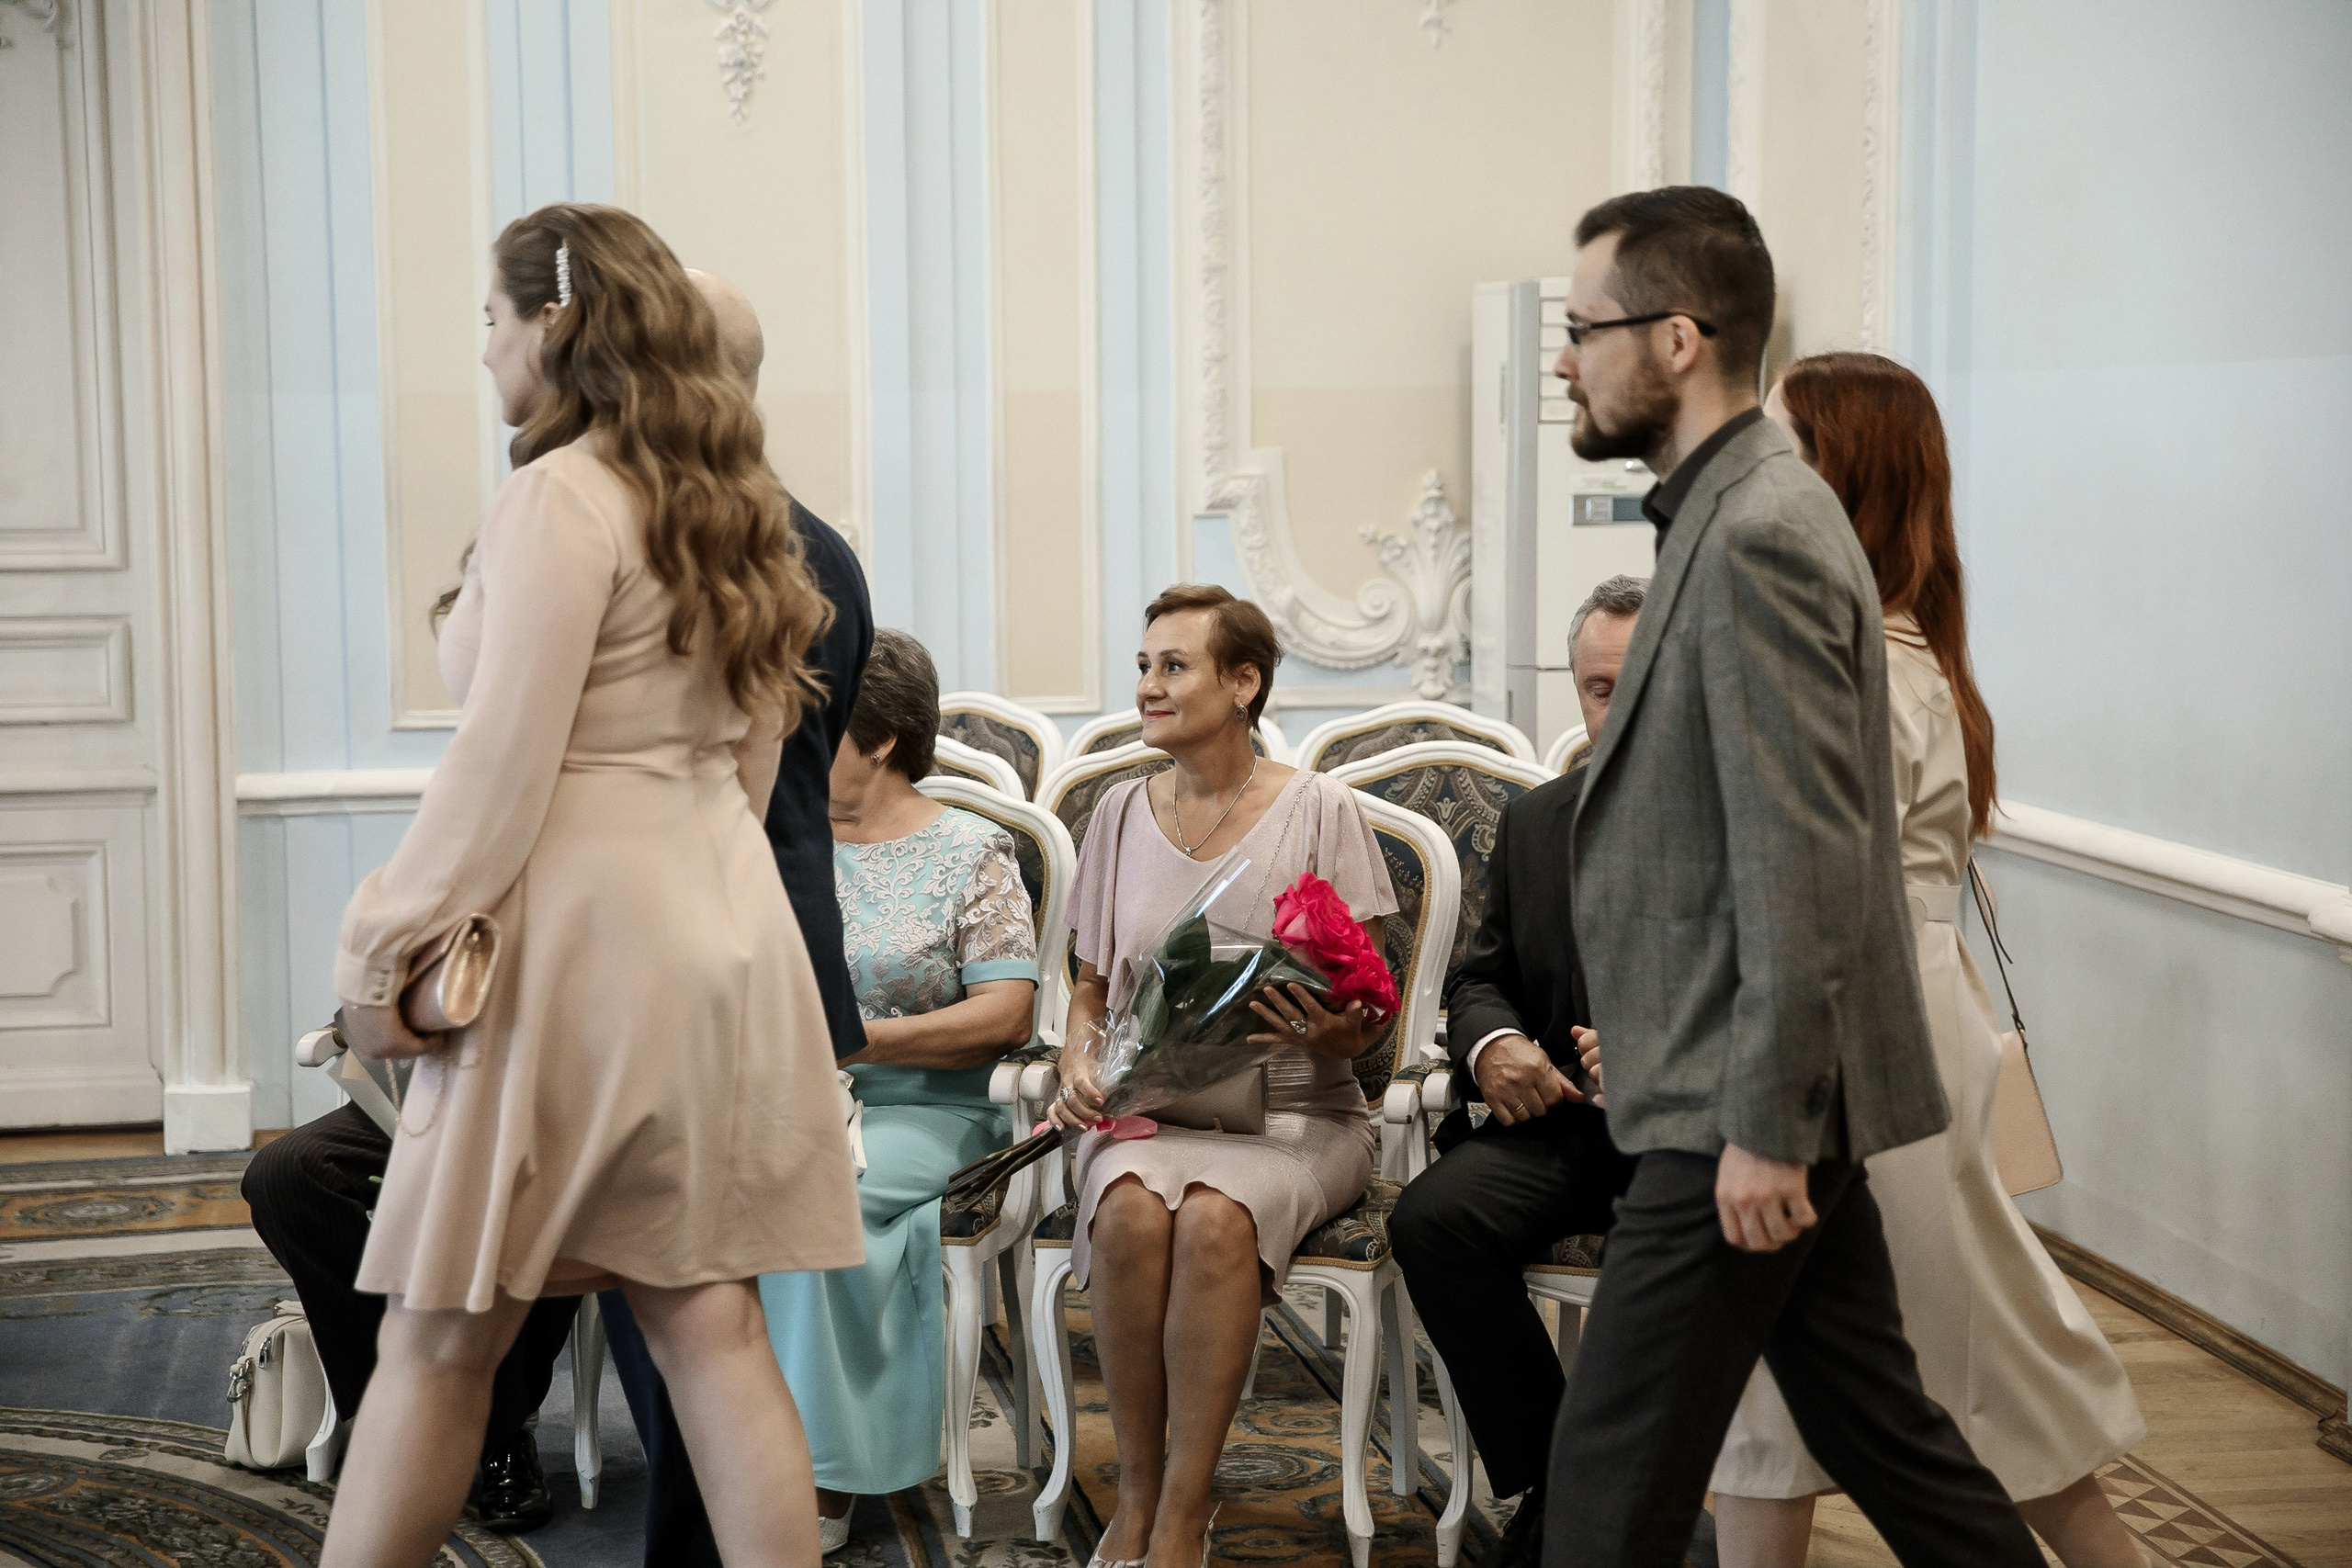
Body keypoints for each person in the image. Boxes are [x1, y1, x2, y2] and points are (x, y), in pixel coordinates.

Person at [320, 203, 862, 1568]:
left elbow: (503, 767)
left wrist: (376, 949)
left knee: (439, 1333)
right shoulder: (735, 508)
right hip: (719, 926)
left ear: (552, 323)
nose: (485, 352)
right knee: (708, 1318)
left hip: (582, 946)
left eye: (490, 324)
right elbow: (750, 762)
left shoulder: (560, 495)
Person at [1537, 186, 2041, 1568]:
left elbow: (1806, 846)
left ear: (1680, 336)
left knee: (1605, 1483)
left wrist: (1765, 1120)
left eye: (1581, 329)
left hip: (1728, 1101)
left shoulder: (1758, 524)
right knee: (1894, 1439)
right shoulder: (1733, 507)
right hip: (1741, 1086)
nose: (1565, 359)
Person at [1697, 354, 2147, 1566]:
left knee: (1886, 1378)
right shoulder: (1890, 650)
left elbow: (1816, 902)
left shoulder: (1862, 665)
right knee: (1940, 1372)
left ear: (1842, 476)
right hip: (1892, 1018)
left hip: (1861, 1030)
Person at [592, 268, 877, 1568]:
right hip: (774, 941)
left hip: (701, 952)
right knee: (697, 1299)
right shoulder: (819, 540)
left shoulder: (690, 536)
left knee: (690, 1303)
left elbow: (746, 784)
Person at [1046, 584, 1398, 1568]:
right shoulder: (1117, 810)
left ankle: (1187, 1511)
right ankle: (1139, 1495)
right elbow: (1087, 987)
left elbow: (1374, 1017)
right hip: (1153, 1109)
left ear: (1243, 684)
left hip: (1299, 1115)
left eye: (1174, 666)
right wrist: (1079, 1057)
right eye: (1144, 665)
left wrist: (1332, 1032)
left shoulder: (1319, 809)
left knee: (1211, 1216)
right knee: (1123, 1210)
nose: (1148, 686)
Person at [762, 627, 1039, 1554]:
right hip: (774, 1098)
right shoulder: (774, 840)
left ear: (876, 736)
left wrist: (855, 1042)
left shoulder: (971, 851)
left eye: (811, 717)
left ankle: (823, 1475)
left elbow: (1005, 1016)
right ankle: (735, 1448)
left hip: (929, 1108)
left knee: (815, 1192)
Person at [1389, 575, 1646, 1568]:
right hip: (1573, 1128)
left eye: (1634, 684)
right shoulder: (1541, 822)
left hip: (1700, 1136)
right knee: (1432, 1218)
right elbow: (1481, 977)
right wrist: (1496, 1046)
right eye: (1593, 688)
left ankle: (1654, 1496)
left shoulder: (1735, 814)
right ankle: (1557, 1482)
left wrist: (1659, 1048)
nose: (1610, 709)